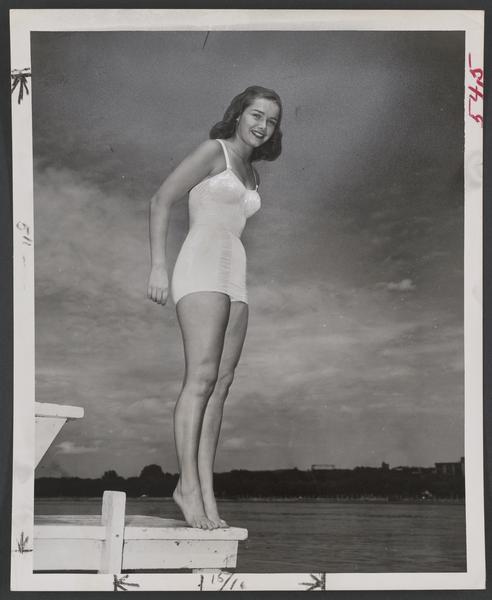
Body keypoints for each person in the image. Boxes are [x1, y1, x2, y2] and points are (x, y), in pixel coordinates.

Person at [147, 86, 283, 529]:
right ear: (239, 114)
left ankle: (205, 492)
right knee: (201, 379)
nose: (263, 126)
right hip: (200, 264)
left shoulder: (252, 174)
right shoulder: (214, 151)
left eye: (272, 121)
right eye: (256, 115)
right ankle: (186, 488)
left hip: (234, 272)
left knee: (221, 385)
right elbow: (161, 199)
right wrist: (158, 267)